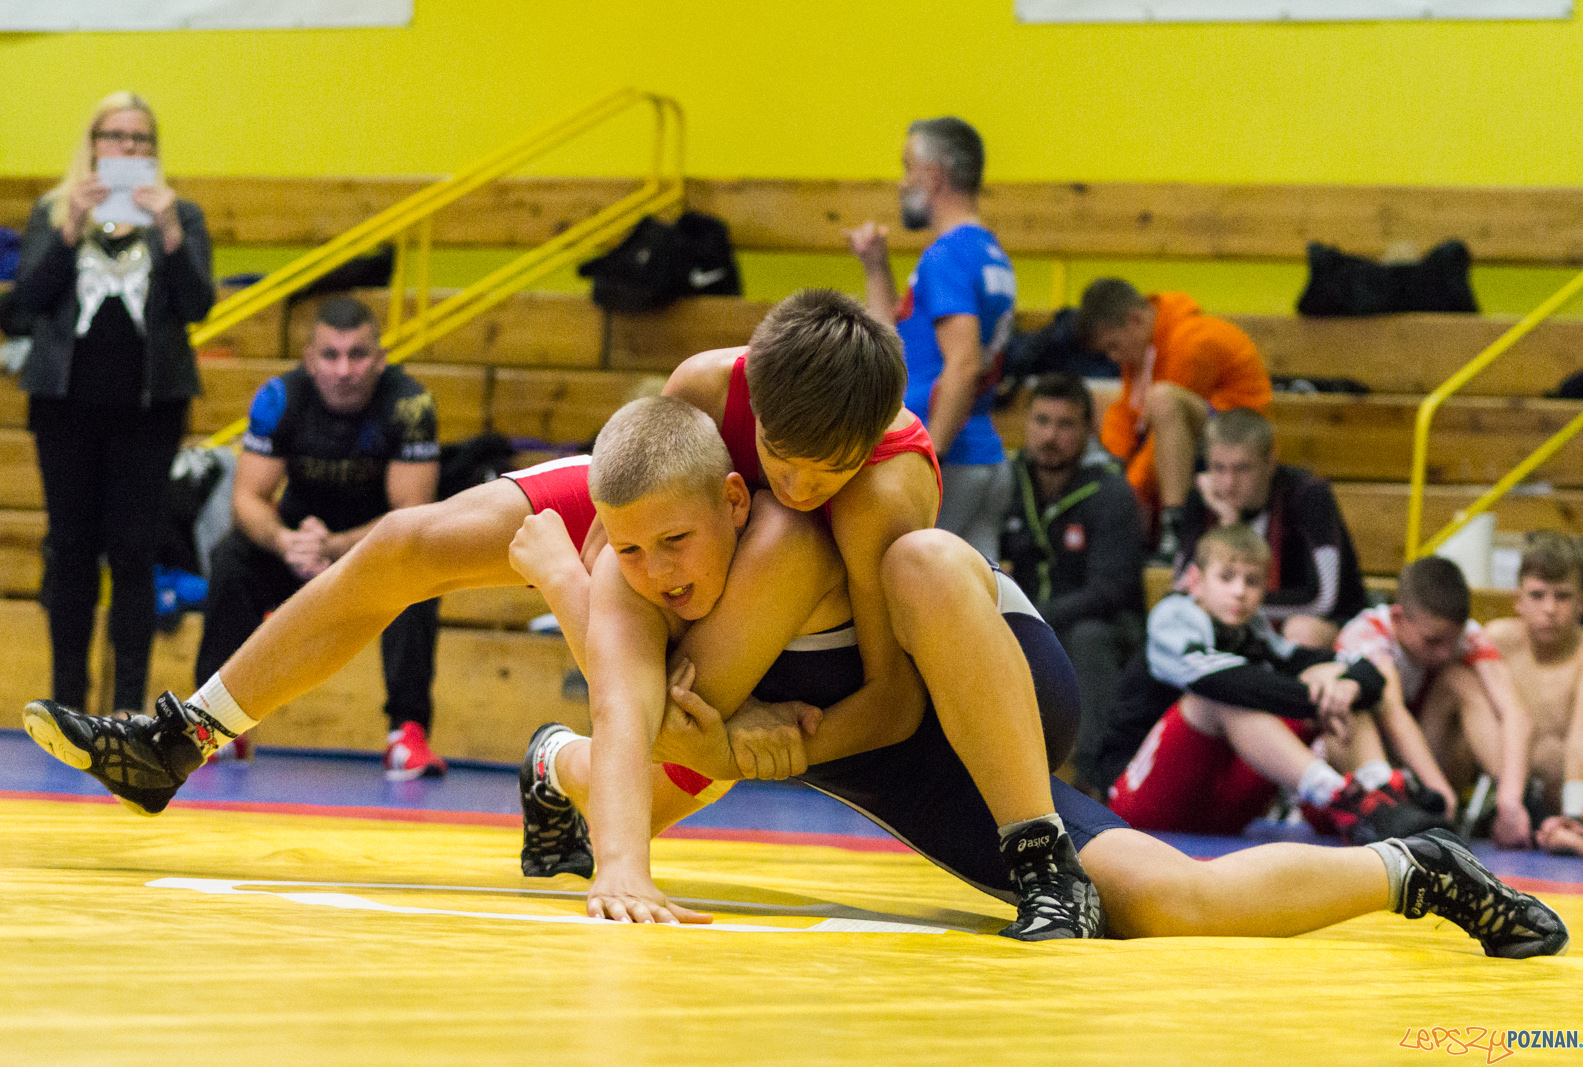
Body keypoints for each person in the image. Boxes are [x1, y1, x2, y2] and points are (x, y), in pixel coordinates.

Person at [21, 289, 1107, 940]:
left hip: (778, 634)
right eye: (779, 452)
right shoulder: (708, 388)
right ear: (750, 404)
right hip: (682, 516)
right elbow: (617, 560)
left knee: (673, 729)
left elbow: (886, 693)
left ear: (868, 440)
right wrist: (574, 575)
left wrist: (749, 746)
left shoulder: (886, 492)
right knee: (406, 544)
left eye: (825, 466)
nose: (801, 479)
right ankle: (185, 735)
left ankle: (560, 771)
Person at [510, 461, 1566, 958]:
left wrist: (747, 739)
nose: (656, 571)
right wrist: (580, 587)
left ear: (740, 499)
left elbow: (836, 683)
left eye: (674, 544)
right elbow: (646, 714)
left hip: (999, 696)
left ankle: (1035, 844)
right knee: (1174, 903)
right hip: (918, 772)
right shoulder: (645, 594)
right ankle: (1415, 867)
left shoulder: (831, 525)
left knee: (919, 564)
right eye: (629, 551)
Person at [12, 91, 213, 715]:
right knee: (69, 549)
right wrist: (69, 230)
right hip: (64, 407)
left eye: (140, 140)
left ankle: (127, 703)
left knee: (135, 552)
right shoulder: (52, 211)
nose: (127, 149)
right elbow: (20, 309)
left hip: (149, 411)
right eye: (115, 137)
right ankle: (66, 700)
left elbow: (197, 308)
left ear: (155, 150)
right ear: (93, 143)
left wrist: (173, 234)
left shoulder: (183, 215)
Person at [195, 295, 445, 779]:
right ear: (310, 359)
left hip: (376, 547)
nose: (344, 369)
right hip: (296, 543)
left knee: (421, 567)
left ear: (380, 359)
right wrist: (287, 542)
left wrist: (331, 547)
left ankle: (407, 732)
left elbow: (411, 514)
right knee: (231, 558)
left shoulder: (410, 405)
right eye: (331, 355)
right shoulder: (279, 398)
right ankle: (215, 725)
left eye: (358, 355)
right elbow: (247, 499)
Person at [1104, 525, 1448, 844]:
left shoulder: (1256, 633)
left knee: (1331, 679)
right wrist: (1317, 699)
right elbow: (1223, 682)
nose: (1239, 592)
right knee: (1217, 696)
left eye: (1252, 581)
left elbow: (1360, 668)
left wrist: (1347, 688)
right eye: (1226, 578)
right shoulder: (1172, 617)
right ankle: (1340, 797)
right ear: (1195, 582)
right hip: (1141, 806)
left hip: (1221, 811)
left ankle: (1379, 794)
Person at [847, 117, 1015, 560]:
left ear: (935, 175)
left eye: (908, 168)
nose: (902, 183)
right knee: (984, 603)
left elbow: (963, 364)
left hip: (949, 458)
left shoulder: (946, 257)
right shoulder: (989, 254)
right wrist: (875, 267)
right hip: (983, 457)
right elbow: (894, 348)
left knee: (910, 589)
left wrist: (929, 457)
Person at [997, 372, 1145, 788]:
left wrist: (1033, 618)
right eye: (1041, 421)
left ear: (1086, 431)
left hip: (1106, 629)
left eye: (1065, 425)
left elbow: (1110, 592)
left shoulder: (1111, 492)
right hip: (1029, 619)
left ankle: (1093, 775)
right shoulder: (1008, 480)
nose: (1050, 435)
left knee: (1089, 635)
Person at [1337, 556, 1535, 848]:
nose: (1443, 653)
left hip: (1429, 760)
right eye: (1432, 641)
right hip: (1369, 766)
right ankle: (1408, 802)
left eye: (1450, 642)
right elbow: (1393, 713)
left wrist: (1511, 797)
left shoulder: (1461, 634)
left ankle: (1522, 808)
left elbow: (1515, 712)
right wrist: (1439, 789)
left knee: (1458, 679)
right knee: (1359, 709)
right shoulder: (1367, 633)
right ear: (1398, 618)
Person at [1077, 278, 1271, 561]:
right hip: (1208, 431)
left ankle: (1174, 525)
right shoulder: (1146, 350)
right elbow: (1130, 416)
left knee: (1163, 399)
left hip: (1241, 433)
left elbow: (1162, 431)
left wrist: (1126, 496)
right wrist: (1111, 469)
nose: (1114, 357)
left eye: (1114, 346)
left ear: (1135, 319)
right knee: (1115, 411)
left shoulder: (1191, 340)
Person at [1170, 408, 1367, 648]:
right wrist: (1227, 525)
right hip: (1241, 616)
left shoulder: (1308, 495)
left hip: (1319, 622)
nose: (1228, 483)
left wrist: (1233, 602)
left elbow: (1323, 599)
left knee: (1302, 631)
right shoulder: (1203, 497)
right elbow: (1181, 588)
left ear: (1270, 462)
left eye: (1242, 469)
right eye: (1219, 468)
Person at [1484, 532, 1583, 857]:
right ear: (1517, 600)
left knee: (1555, 748)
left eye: (1562, 596)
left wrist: (1576, 814)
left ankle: (1572, 826)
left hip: (1566, 795)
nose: (1549, 609)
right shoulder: (1497, 639)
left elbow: (1582, 734)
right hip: (1505, 786)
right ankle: (1435, 809)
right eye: (1537, 595)